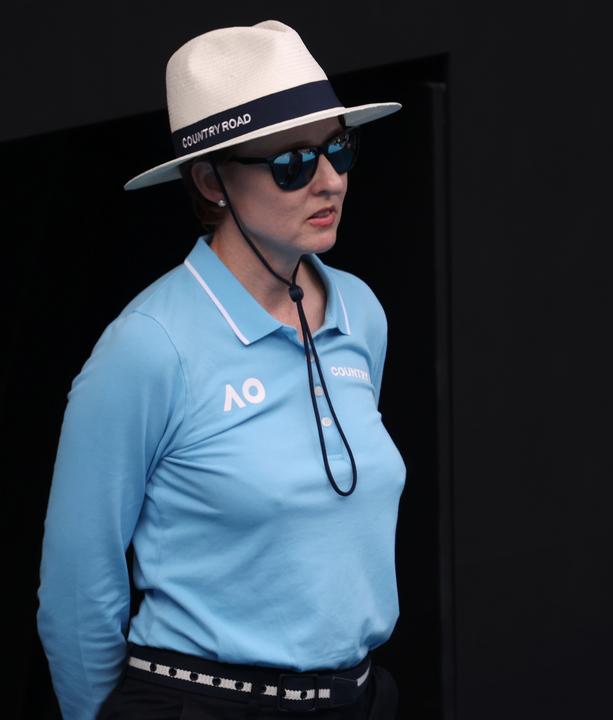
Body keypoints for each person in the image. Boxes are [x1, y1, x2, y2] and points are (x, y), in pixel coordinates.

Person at [36, 20, 406, 720]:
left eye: (338, 148)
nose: (329, 181)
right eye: (292, 164)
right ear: (211, 180)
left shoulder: (360, 311)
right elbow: (78, 587)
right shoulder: (148, 348)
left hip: (357, 699)